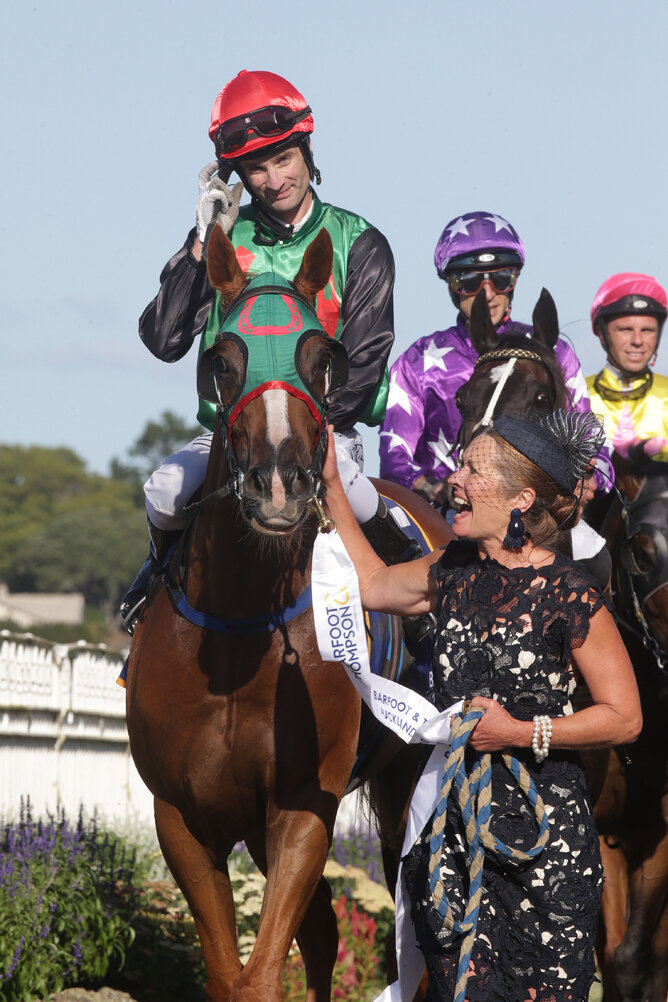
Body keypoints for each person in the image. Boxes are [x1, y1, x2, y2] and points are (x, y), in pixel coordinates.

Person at [322, 409, 641, 1002]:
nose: (454, 479)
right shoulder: (450, 573)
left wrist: (519, 731)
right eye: (460, 463)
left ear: (520, 499)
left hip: (546, 854)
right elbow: (369, 584)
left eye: (472, 468)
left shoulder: (570, 593)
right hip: (454, 844)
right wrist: (334, 487)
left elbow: (625, 716)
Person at [121, 69, 415, 629]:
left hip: (323, 434)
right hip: (230, 437)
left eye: (284, 159)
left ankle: (421, 624)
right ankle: (151, 590)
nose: (274, 178)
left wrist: (301, 438)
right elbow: (163, 341)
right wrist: (200, 241)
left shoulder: (362, 243)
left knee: (356, 500)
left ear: (307, 151)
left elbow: (363, 362)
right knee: (161, 492)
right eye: (257, 167)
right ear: (238, 175)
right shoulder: (224, 239)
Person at [379, 211, 614, 503]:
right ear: (451, 286)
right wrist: (437, 489)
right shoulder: (417, 361)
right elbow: (394, 458)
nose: (488, 293)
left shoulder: (556, 353)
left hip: (533, 510)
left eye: (502, 278)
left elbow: (590, 440)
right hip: (446, 515)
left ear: (515, 280)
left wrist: (592, 476)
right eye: (469, 281)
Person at [587, 272, 668, 462]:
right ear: (600, 331)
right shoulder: (576, 395)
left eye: (647, 330)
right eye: (625, 330)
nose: (638, 341)